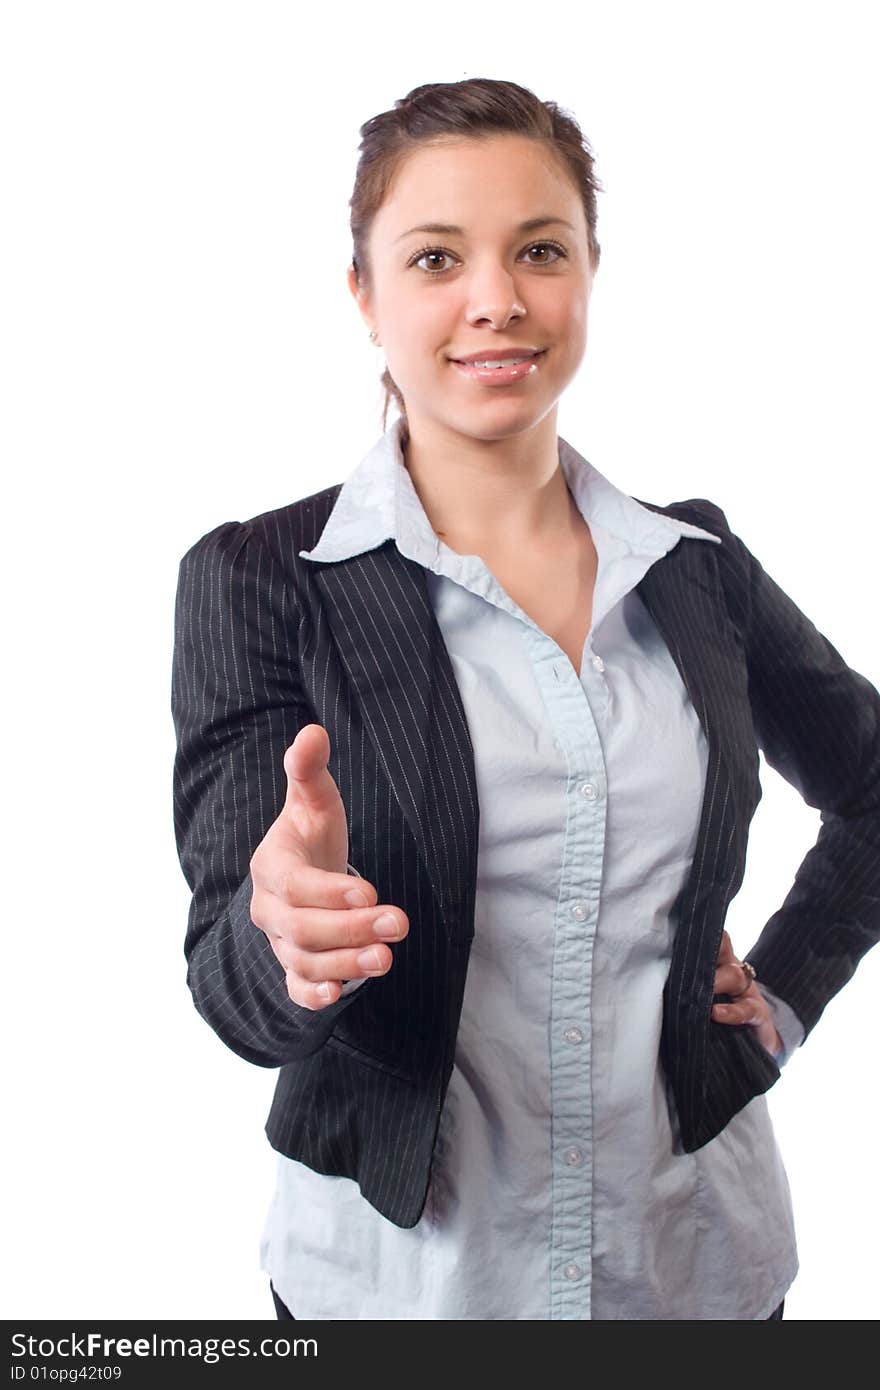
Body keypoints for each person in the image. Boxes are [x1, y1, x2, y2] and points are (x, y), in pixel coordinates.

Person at [170, 77, 880, 1320]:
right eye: (435, 256)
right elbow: (235, 995)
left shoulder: (694, 565)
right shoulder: (260, 580)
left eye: (539, 250)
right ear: (365, 296)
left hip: (693, 1262)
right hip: (402, 1282)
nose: (494, 298)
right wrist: (284, 936)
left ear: (590, 272)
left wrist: (786, 987)